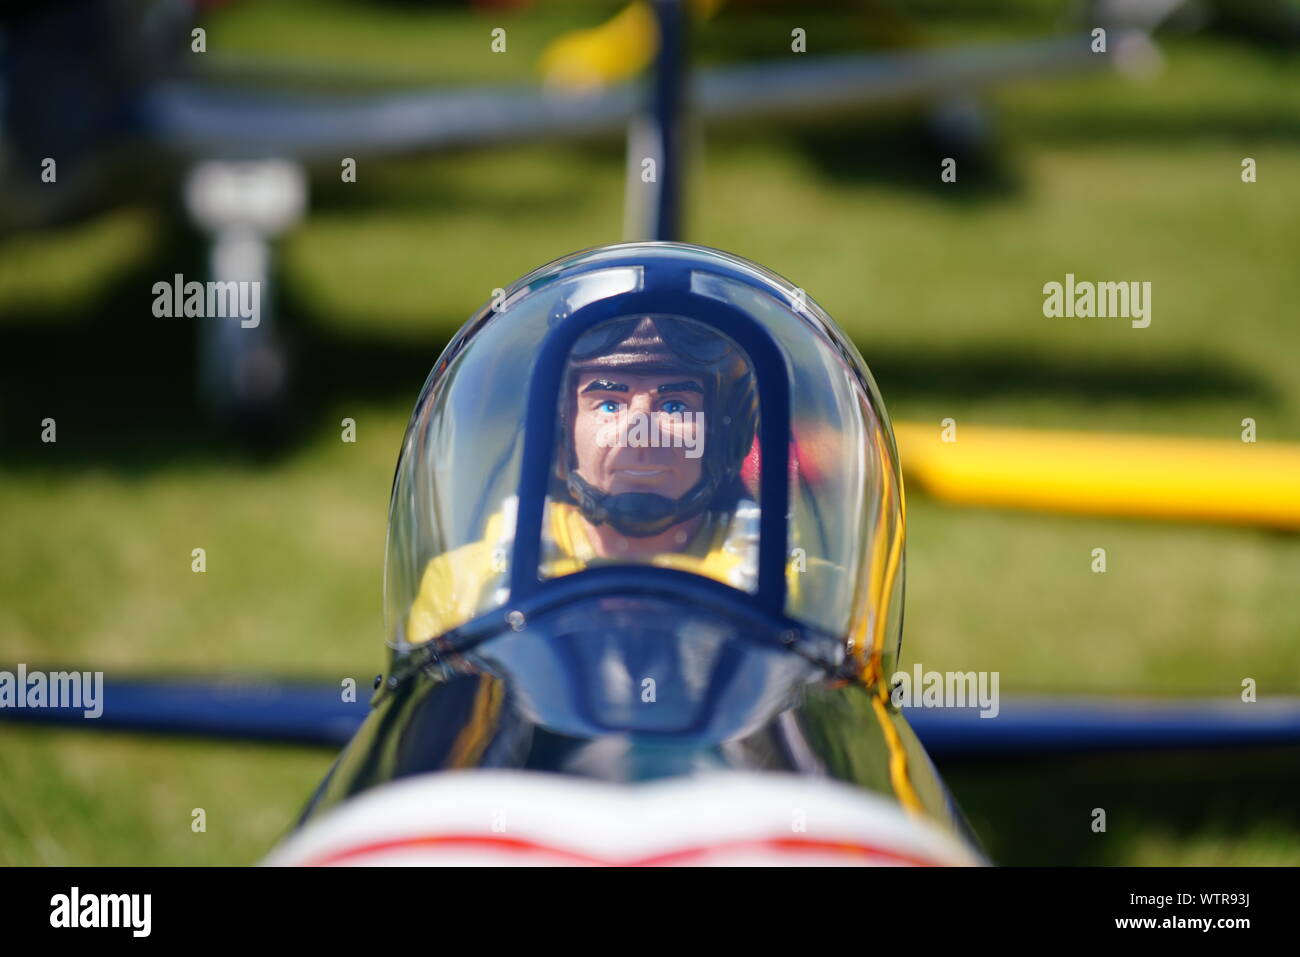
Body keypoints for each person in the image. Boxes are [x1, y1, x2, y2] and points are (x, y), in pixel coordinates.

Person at [404, 315, 764, 645]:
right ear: (561, 430)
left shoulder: (791, 582)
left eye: (675, 406)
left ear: (724, 433)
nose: (638, 433)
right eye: (609, 403)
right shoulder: (466, 588)